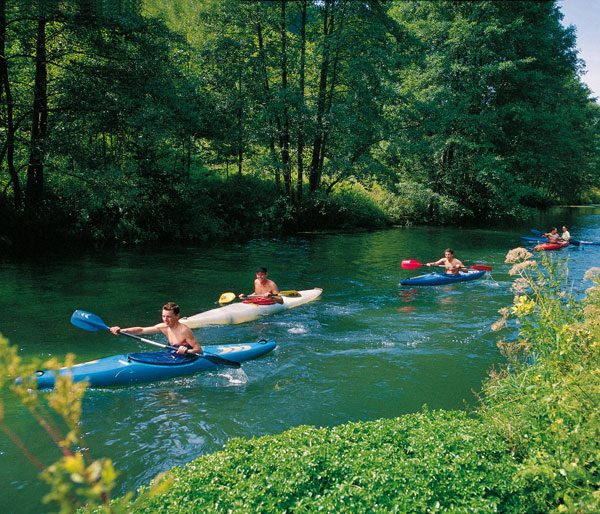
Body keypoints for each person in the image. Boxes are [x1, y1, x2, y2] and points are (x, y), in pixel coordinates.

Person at [109, 302, 202, 355]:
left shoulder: (184, 331)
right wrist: (121, 330)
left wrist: (187, 350)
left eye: (168, 316)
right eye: (163, 316)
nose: (165, 319)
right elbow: (141, 330)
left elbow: (199, 350)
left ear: (177, 316)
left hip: (186, 358)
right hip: (171, 355)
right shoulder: (164, 327)